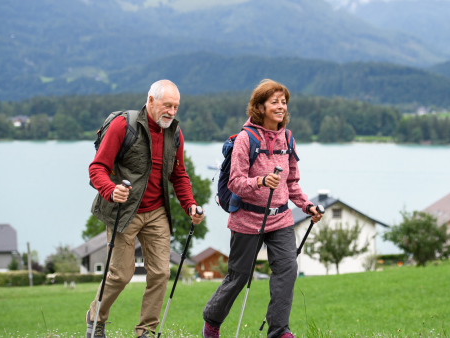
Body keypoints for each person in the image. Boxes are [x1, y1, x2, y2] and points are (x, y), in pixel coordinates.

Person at [201, 79, 322, 338]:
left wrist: (307, 205)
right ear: (260, 106)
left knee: (287, 271)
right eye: (274, 102)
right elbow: (235, 182)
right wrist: (261, 181)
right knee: (239, 277)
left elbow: (292, 183)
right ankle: (212, 321)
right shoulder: (246, 139)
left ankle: (278, 331)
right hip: (247, 220)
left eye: (284, 102)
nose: (281, 107)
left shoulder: (288, 139)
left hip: (281, 219)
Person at [86, 80, 204, 338]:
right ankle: (96, 318)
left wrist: (190, 205)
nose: (172, 112)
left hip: (156, 212)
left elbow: (179, 175)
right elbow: (97, 168)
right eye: (167, 105)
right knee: (120, 275)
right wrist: (110, 190)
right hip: (123, 212)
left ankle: (146, 332)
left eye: (176, 107)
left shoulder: (174, 133)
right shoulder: (123, 126)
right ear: (150, 101)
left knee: (161, 273)